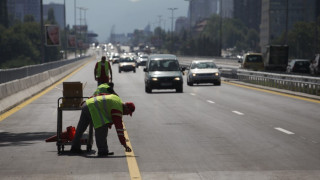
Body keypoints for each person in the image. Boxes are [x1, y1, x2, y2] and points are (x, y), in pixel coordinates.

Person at [70, 94, 135, 156]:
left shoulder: (117, 99)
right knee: (102, 127)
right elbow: (119, 128)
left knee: (81, 128)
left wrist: (88, 101)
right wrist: (124, 144)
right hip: (92, 108)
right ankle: (103, 151)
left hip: (87, 104)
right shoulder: (118, 109)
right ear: (126, 108)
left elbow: (101, 95)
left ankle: (75, 148)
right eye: (127, 113)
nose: (126, 114)